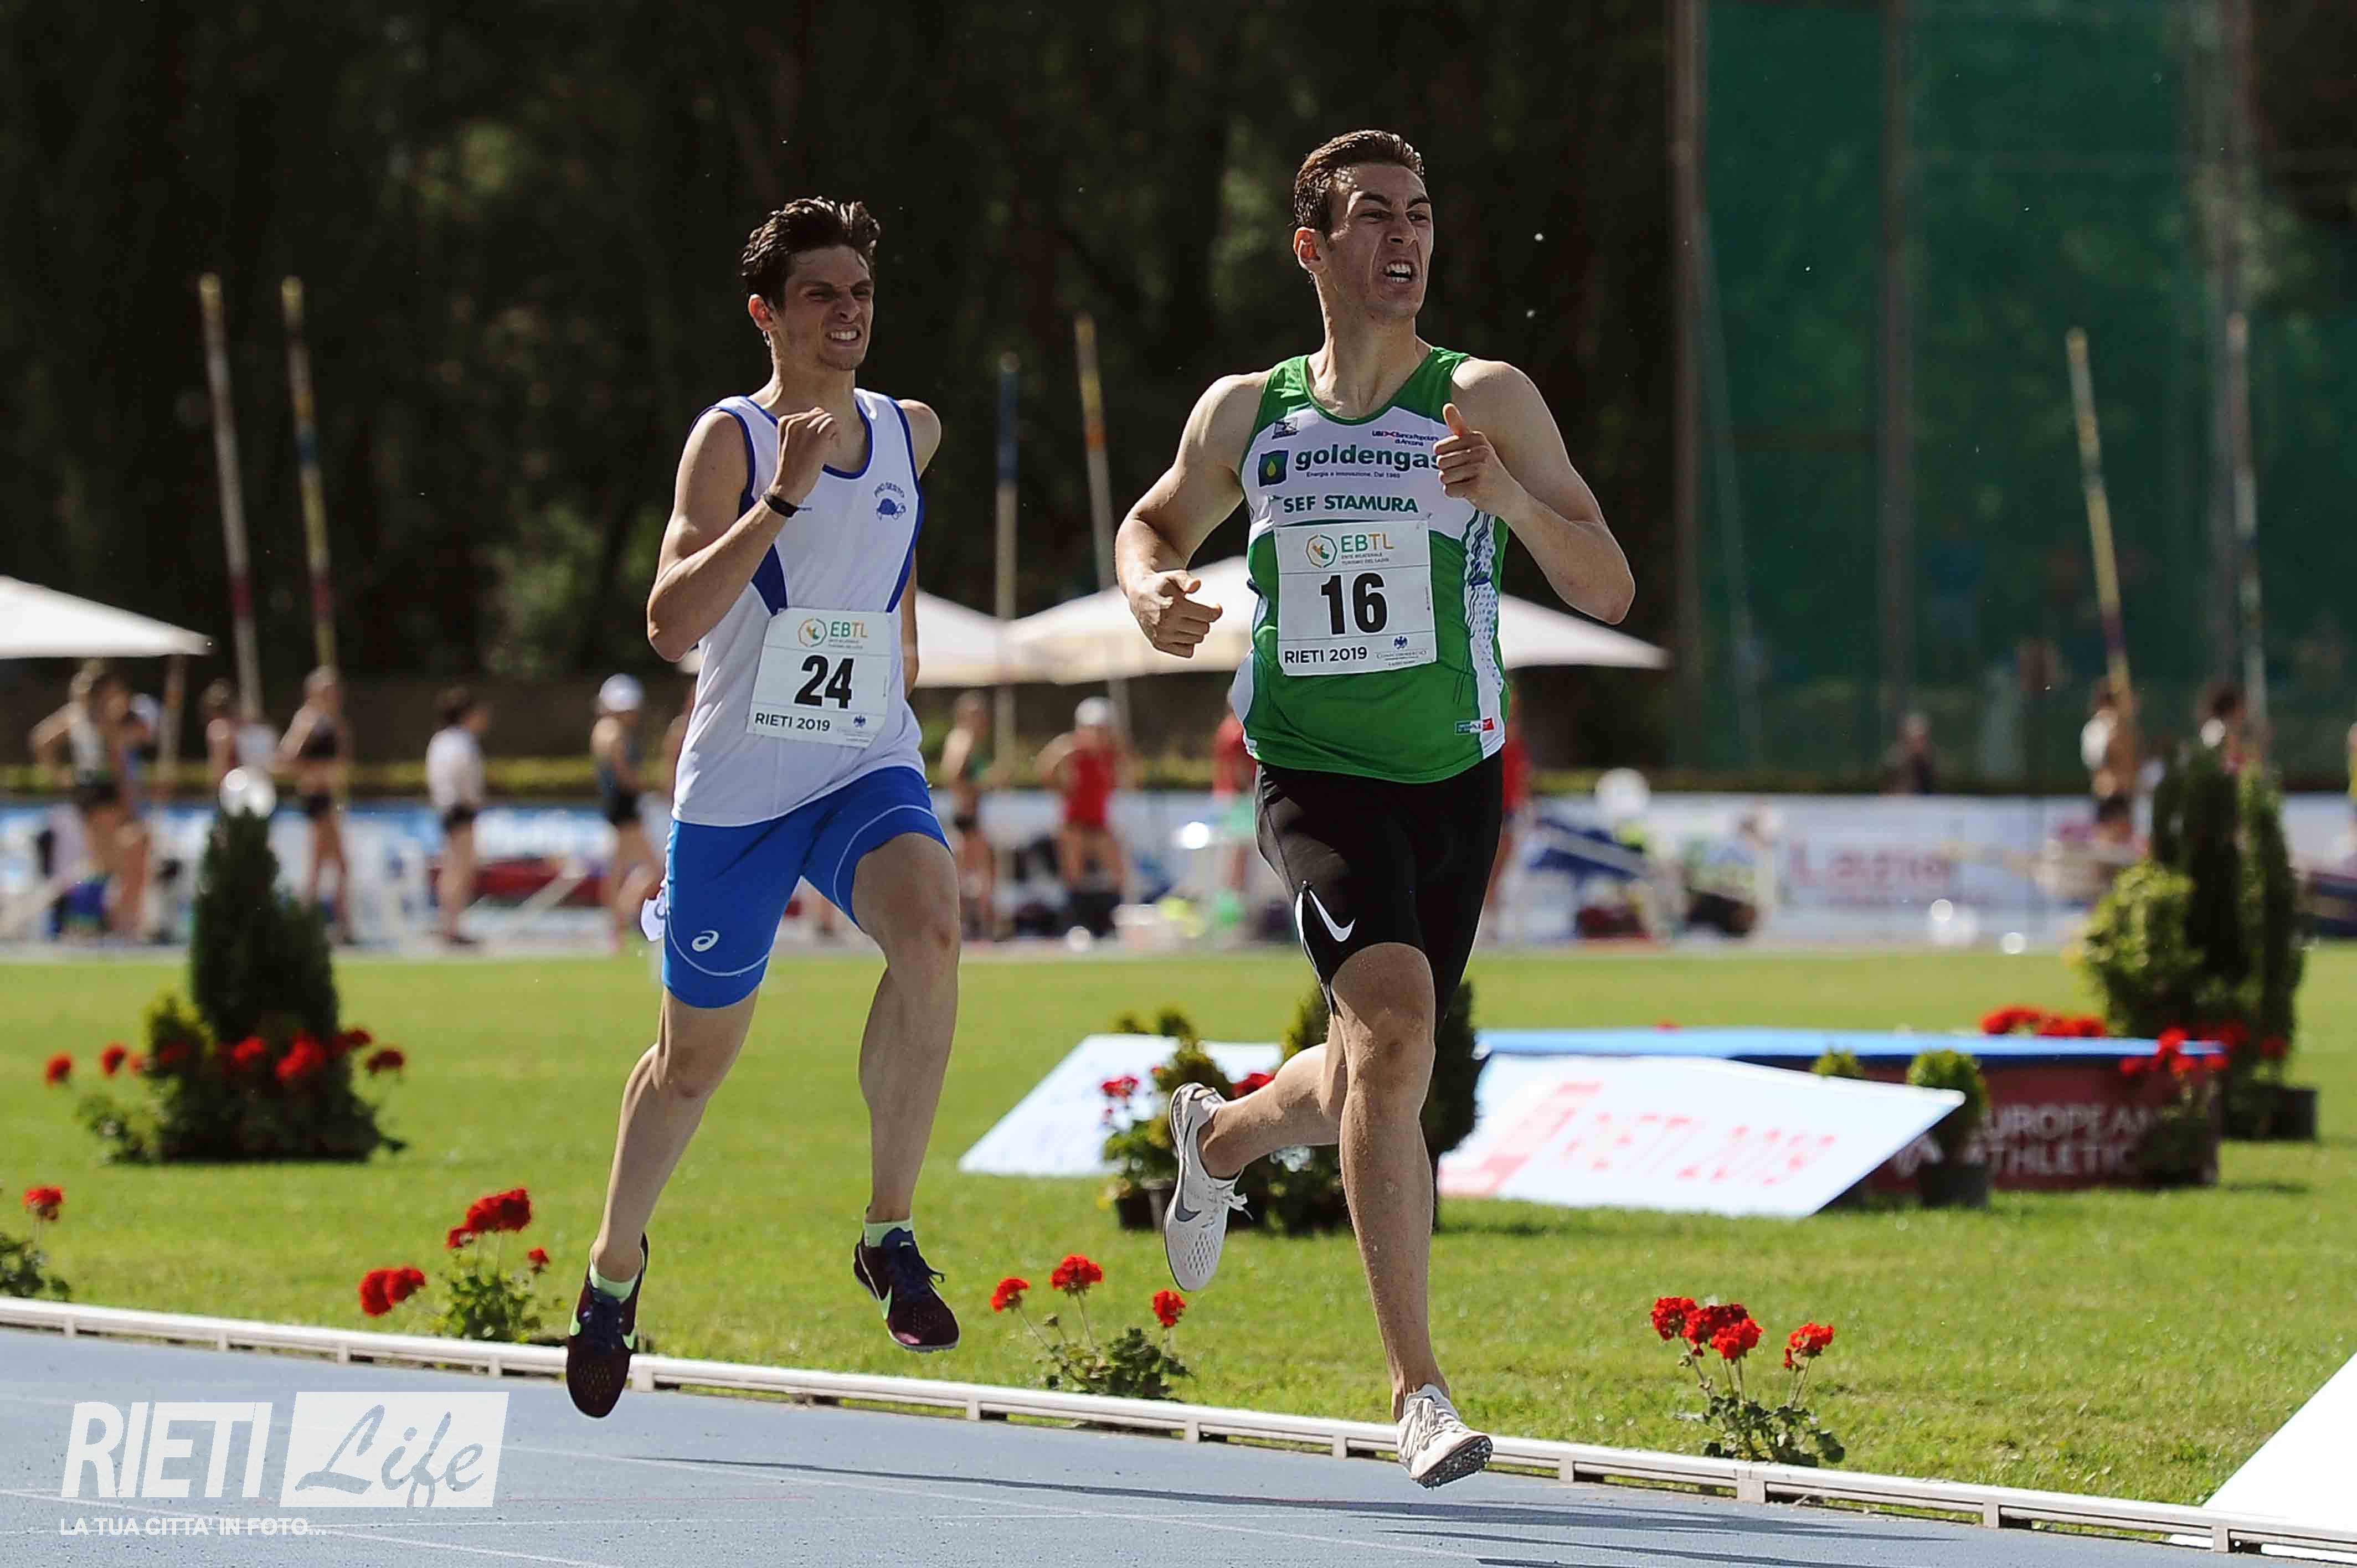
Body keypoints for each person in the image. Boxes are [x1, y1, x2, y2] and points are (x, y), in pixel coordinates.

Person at [1113, 130, 1632, 1487]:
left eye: (1421, 214)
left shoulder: (1486, 397)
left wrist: (1508, 496)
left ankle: (1219, 1135)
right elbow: (1153, 523)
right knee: (1397, 1029)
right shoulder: (1250, 413)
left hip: (1453, 778)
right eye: (1373, 216)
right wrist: (1148, 589)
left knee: (1369, 1072)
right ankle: (1420, 1392)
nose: (1404, 238)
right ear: (1312, 246)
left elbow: (1608, 585)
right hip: (1312, 768)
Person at [567, 197, 963, 1419]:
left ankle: (888, 1232)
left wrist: (895, 656)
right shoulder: (730, 440)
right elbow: (669, 623)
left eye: (861, 293)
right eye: (819, 295)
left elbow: (888, 568)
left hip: (860, 765)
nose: (847, 313)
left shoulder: (910, 430)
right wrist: (780, 499)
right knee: (693, 1063)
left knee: (933, 932)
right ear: (767, 314)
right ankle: (613, 1269)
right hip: (740, 791)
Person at [28, 663, 152, 938]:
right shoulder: (105, 720)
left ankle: (91, 921)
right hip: (104, 792)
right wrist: (130, 806)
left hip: (88, 791)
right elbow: (119, 766)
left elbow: (41, 739)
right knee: (113, 865)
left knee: (103, 863)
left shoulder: (76, 715)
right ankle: (96, 922)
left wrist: (57, 776)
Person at [276, 667, 353, 938]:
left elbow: (342, 759)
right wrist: (314, 772)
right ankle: (336, 923)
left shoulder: (330, 721)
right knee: (332, 865)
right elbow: (287, 757)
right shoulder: (308, 720)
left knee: (326, 865)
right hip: (316, 797)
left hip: (328, 798)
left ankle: (324, 921)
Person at [1036, 696, 1131, 907]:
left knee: (1118, 871)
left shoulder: (1111, 754)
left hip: (1099, 824)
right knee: (1074, 874)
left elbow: (1124, 781)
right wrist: (1059, 755)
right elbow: (1046, 775)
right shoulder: (1071, 752)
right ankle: (1075, 913)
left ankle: (1116, 910)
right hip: (1075, 824)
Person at [592, 674, 662, 950]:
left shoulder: (601, 730)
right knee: (653, 868)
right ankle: (623, 917)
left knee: (617, 869)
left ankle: (616, 931)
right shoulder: (616, 734)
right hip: (626, 811)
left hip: (614, 809)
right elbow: (625, 777)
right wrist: (652, 787)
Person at [426, 687, 490, 947]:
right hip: (460, 809)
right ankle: (452, 927)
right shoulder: (462, 741)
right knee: (460, 868)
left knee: (452, 866)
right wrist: (473, 803)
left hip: (447, 809)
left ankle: (449, 924)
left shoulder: (440, 740)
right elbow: (465, 780)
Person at [938, 692, 999, 939]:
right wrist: (979, 785)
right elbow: (953, 774)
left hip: (968, 812)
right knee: (977, 870)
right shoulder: (964, 740)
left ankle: (974, 922)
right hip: (966, 813)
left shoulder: (964, 740)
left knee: (971, 869)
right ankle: (979, 923)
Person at [1483, 700, 1532, 923]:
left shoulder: (1518, 749)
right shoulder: (1494, 747)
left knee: (1502, 868)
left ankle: (1493, 913)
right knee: (1490, 867)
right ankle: (1487, 913)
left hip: (1510, 811)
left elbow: (1522, 780)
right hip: (1495, 810)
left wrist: (1526, 806)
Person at [1207, 709, 1255, 930]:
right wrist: (1249, 789)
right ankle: (1233, 913)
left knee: (1235, 856)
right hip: (1238, 799)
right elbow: (1238, 768)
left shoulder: (1227, 729)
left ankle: (1233, 910)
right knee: (1238, 857)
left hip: (1229, 799)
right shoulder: (1236, 732)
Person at [2080, 680, 2137, 847]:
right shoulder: (2096, 728)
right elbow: (2096, 761)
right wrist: (2113, 736)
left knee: (2126, 844)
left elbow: (2133, 760)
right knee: (2106, 843)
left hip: (2125, 793)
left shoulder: (2126, 727)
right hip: (2107, 794)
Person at [200, 680, 276, 791]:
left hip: (234, 787)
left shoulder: (219, 729)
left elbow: (220, 766)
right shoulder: (254, 728)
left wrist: (214, 788)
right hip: (259, 786)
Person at [1881, 712, 1938, 795]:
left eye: (1922, 738)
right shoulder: (1894, 763)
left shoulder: (1931, 762)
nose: (1919, 743)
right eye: (1916, 738)